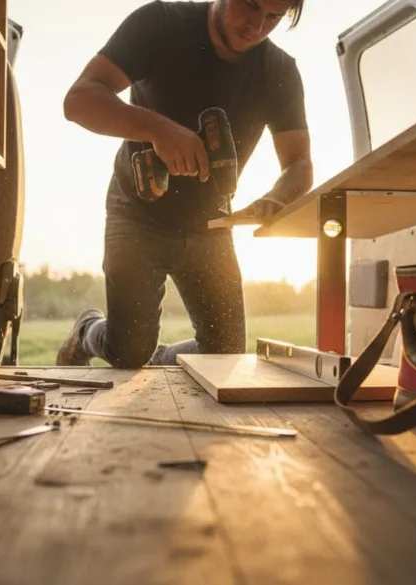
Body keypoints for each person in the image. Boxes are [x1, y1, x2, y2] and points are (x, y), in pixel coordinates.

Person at [56, 0, 313, 368]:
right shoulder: (160, 24)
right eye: (250, 7)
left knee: (224, 357)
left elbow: (300, 163)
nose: (256, 27)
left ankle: (157, 357)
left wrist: (276, 197)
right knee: (128, 352)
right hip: (137, 213)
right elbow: (78, 100)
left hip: (213, 223)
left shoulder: (279, 70)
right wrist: (158, 129)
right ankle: (87, 330)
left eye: (273, 17)